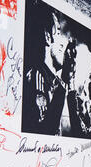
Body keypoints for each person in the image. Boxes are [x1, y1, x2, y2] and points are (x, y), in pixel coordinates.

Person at [22, 7, 69, 135]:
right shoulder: (38, 77)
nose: (63, 43)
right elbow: (45, 130)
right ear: (48, 37)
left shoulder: (49, 79)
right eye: (58, 33)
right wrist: (63, 83)